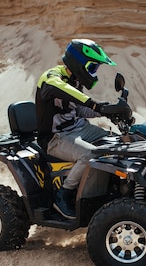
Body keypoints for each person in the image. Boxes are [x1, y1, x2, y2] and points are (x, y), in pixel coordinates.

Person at [35, 39, 116, 220]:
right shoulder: (51, 77)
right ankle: (64, 194)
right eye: (92, 68)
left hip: (80, 128)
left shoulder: (76, 81)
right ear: (79, 63)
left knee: (116, 144)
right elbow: (63, 90)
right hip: (55, 138)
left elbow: (78, 109)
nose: (93, 73)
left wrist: (107, 111)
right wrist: (96, 106)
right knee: (91, 154)